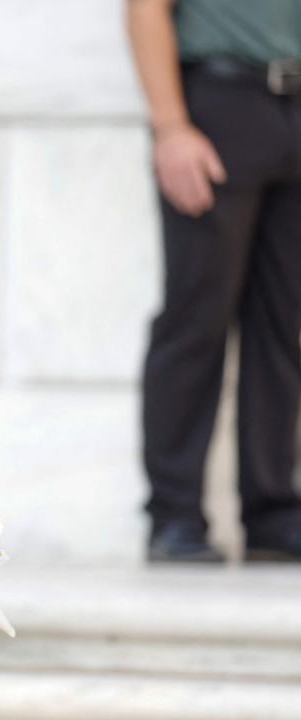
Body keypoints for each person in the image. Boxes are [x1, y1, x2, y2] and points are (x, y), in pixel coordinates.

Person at [127, 1, 301, 563]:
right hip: (220, 105)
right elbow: (146, 7)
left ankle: (273, 512)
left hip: (294, 104)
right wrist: (171, 127)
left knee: (286, 321)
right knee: (197, 315)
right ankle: (174, 514)